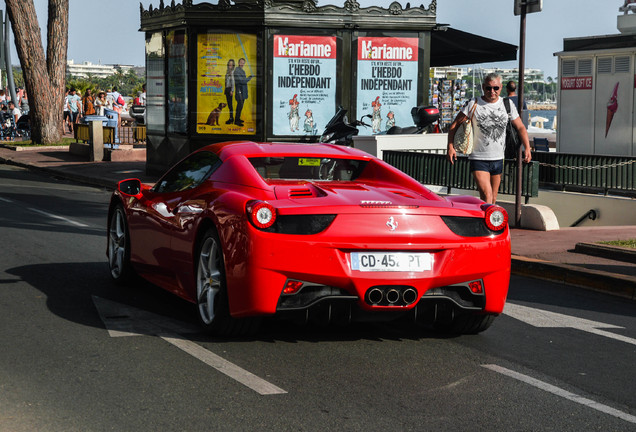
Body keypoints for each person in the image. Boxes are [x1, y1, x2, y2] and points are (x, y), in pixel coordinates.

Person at [446, 73, 532, 204]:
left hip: (498, 158)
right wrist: (450, 147)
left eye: (495, 88)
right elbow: (454, 125)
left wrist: (527, 148)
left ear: (501, 87)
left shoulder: (507, 104)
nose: (492, 91)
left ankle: (484, 223)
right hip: (478, 158)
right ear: (483, 87)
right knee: (487, 195)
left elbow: (520, 127)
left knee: (492, 199)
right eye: (488, 88)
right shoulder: (474, 104)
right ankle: (487, 223)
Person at [233, 58, 253, 126]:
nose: (242, 64)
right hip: (239, 91)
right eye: (241, 62)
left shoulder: (242, 71)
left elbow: (243, 81)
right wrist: (250, 77)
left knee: (241, 106)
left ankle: (238, 119)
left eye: (243, 63)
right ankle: (236, 121)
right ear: (238, 63)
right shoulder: (237, 71)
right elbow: (242, 81)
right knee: (239, 106)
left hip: (242, 91)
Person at [224, 59, 236, 124]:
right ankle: (231, 118)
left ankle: (231, 119)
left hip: (230, 89)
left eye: (231, 64)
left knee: (230, 105)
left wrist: (232, 90)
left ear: (233, 65)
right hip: (227, 89)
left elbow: (233, 82)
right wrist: (225, 89)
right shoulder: (228, 71)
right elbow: (226, 81)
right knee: (229, 105)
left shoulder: (232, 72)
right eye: (229, 64)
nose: (230, 65)